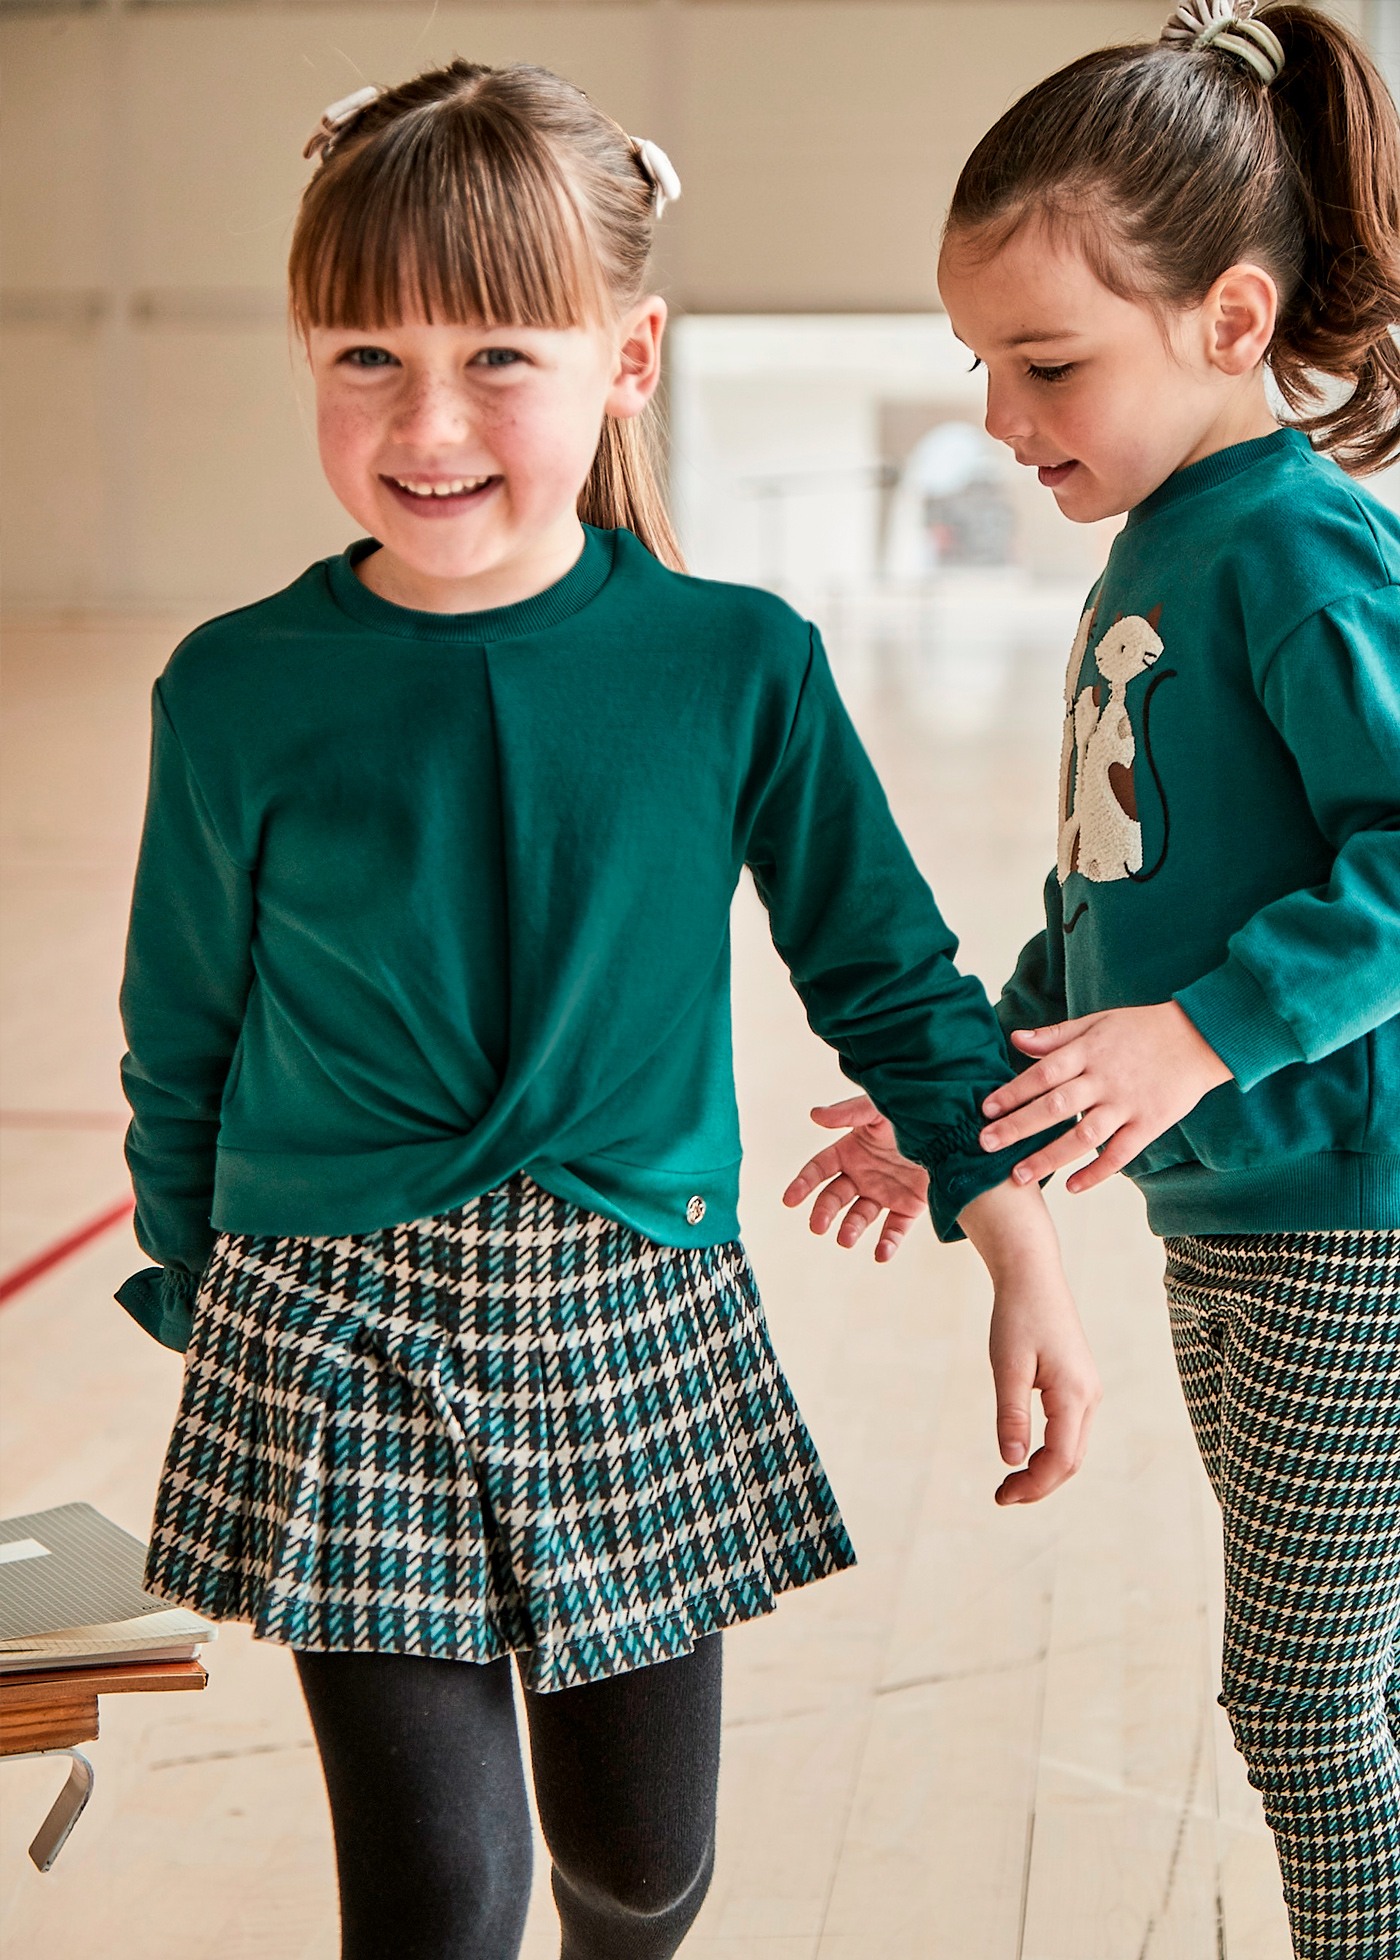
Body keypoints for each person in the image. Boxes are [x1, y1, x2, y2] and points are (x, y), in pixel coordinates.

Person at [115, 60, 1098, 1960]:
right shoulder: (233, 691)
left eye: (499, 355)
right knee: (437, 1901)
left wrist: (1022, 1249)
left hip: (633, 1311)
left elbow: (890, 981)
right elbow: (185, 1031)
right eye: (365, 358)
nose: (429, 419)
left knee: (643, 1876)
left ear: (627, 357)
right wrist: (190, 1268)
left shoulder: (735, 663)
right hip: (336, 1324)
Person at [784, 4, 1400, 1950]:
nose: (998, 415)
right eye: (980, 365)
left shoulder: (1299, 547)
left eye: (1044, 361)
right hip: (1237, 1213)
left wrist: (1215, 1029)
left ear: (1231, 319)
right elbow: (1106, 907)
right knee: (1349, 1670)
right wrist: (961, 1112)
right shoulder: (1153, 549)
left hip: (1350, 1218)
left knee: (1299, 1701)